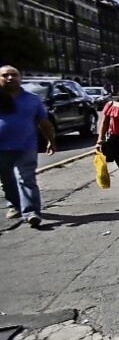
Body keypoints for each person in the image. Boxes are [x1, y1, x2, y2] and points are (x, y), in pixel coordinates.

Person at [0, 65, 56, 228]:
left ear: (20, 78)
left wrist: (51, 140)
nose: (10, 78)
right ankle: (15, 205)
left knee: (26, 179)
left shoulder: (32, 99)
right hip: (2, 148)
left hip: (26, 145)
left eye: (13, 75)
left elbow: (44, 122)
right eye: (5, 75)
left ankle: (31, 212)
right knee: (7, 180)